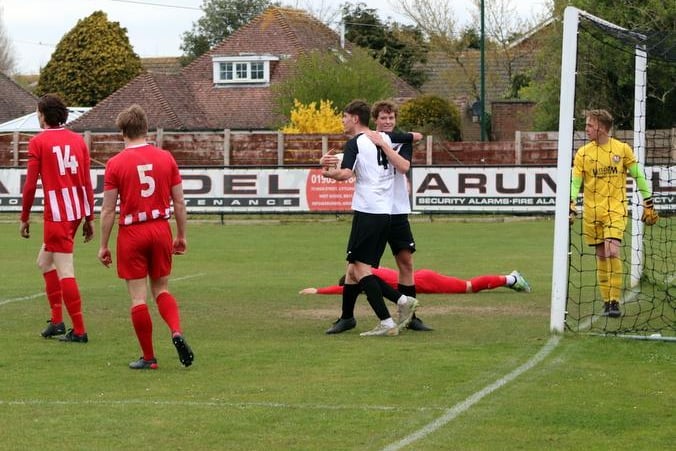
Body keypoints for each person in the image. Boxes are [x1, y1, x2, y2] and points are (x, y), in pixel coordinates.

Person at [98, 104, 194, 369]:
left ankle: (149, 357)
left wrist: (103, 245)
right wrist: (181, 235)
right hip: (160, 229)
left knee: (138, 298)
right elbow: (180, 203)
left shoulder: (115, 163)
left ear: (123, 132)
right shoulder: (166, 158)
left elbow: (108, 210)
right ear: (145, 128)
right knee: (161, 289)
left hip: (132, 233)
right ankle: (175, 330)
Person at [320, 100, 419, 336]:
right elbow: (413, 137)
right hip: (384, 212)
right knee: (354, 268)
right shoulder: (385, 139)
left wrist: (329, 174)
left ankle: (397, 306)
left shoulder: (356, 142)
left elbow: (345, 174)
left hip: (368, 211)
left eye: (344, 116)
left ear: (355, 118)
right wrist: (327, 166)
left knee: (360, 268)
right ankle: (352, 318)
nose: (342, 121)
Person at [569, 109, 658, 318]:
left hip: (616, 210)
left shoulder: (622, 149)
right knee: (601, 255)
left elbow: (639, 176)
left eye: (589, 125)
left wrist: (648, 202)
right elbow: (575, 183)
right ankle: (607, 301)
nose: (586, 129)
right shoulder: (583, 153)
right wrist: (571, 203)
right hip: (592, 213)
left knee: (612, 251)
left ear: (601, 127)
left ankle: (615, 301)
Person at [20, 93, 94, 343]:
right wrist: (89, 217)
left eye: (38, 113)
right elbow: (86, 181)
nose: (38, 117)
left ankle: (80, 330)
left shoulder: (38, 143)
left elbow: (30, 186)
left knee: (65, 270)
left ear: (43, 114)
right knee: (44, 262)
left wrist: (24, 217)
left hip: (58, 215)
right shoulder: (78, 141)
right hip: (74, 213)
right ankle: (57, 321)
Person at [370, 100, 430, 331]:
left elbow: (403, 166)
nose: (387, 122)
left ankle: (410, 317)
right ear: (375, 120)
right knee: (359, 266)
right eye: (383, 118)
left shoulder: (401, 141)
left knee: (406, 261)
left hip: (397, 210)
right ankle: (346, 315)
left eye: (391, 118)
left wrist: (386, 145)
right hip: (374, 210)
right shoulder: (367, 141)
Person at [299, 267, 531, 295]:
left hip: (424, 282)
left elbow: (342, 291)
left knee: (469, 287)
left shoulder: (367, 278)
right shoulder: (372, 269)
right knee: (467, 285)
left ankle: (511, 279)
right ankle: (510, 279)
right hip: (421, 277)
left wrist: (318, 291)